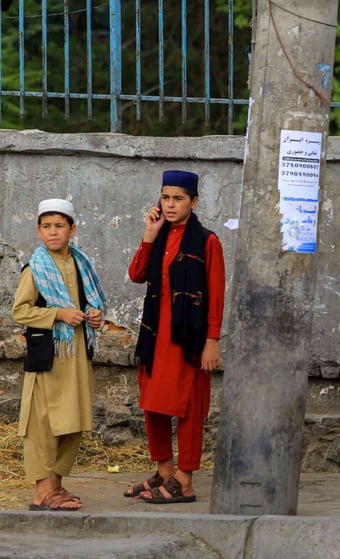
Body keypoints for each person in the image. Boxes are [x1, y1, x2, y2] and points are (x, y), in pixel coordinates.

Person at [123, 170, 225, 505]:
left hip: (188, 339)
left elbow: (215, 294)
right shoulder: (160, 235)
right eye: (165, 198)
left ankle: (185, 479)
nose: (170, 205)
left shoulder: (207, 241)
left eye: (178, 198)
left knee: (188, 408)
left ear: (194, 202)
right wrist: (149, 235)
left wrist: (212, 341)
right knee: (153, 405)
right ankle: (165, 471)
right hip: (155, 337)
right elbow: (137, 274)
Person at [13, 199, 106, 511]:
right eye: (47, 227)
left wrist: (94, 316)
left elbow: (90, 302)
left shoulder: (82, 264)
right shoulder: (35, 268)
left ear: (72, 230)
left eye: (60, 226)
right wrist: (58, 314)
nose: (53, 232)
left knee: (74, 420)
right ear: (39, 231)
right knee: (42, 422)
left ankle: (56, 484)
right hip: (50, 356)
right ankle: (42, 492)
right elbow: (20, 311)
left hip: (77, 354)